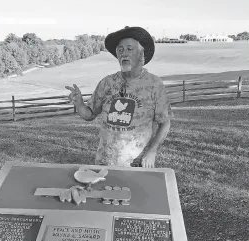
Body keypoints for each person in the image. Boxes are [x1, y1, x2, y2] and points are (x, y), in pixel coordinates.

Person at [66, 26, 172, 168]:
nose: (124, 53)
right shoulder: (107, 83)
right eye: (120, 50)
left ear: (141, 54)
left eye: (129, 49)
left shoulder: (154, 84)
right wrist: (79, 103)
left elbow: (165, 123)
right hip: (104, 162)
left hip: (136, 164)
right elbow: (89, 115)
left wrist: (152, 151)